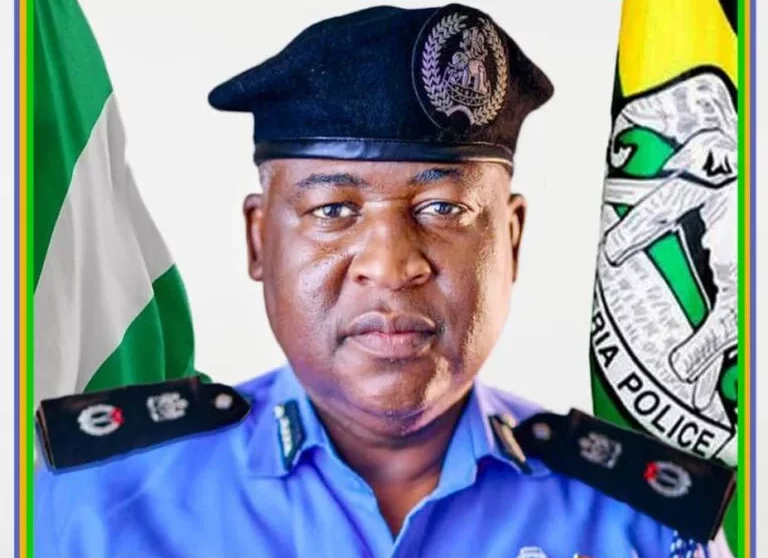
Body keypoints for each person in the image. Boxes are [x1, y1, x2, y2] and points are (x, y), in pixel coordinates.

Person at [34, 5, 734, 557]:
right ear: (259, 239)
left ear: (512, 237)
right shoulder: (91, 502)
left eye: (443, 209)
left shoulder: (638, 523)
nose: (393, 266)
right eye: (333, 210)